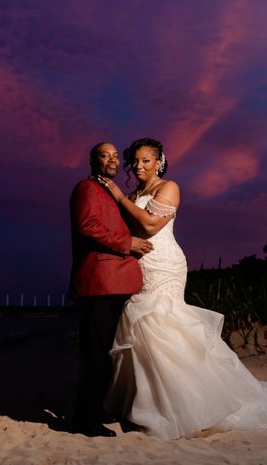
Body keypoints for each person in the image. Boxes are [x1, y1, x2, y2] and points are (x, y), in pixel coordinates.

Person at [98, 137, 267, 439]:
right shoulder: (134, 193)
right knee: (142, 332)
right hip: (141, 268)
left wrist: (117, 196)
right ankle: (149, 403)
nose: (139, 166)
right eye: (136, 161)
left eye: (146, 161)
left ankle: (183, 406)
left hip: (165, 265)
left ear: (159, 162)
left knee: (162, 325)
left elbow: (152, 226)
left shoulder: (169, 187)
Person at [69, 141, 153, 437]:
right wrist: (127, 243)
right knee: (96, 353)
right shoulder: (87, 188)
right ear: (93, 160)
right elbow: (88, 225)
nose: (113, 160)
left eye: (117, 156)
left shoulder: (111, 192)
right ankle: (86, 419)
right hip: (99, 283)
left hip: (116, 282)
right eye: (105, 155)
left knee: (109, 353)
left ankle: (97, 409)